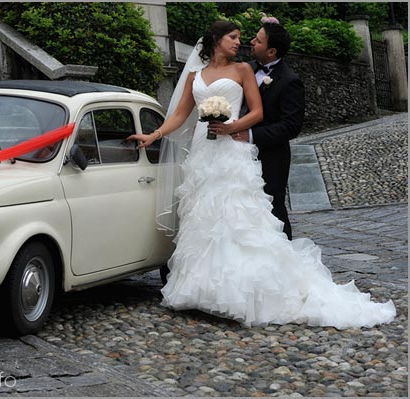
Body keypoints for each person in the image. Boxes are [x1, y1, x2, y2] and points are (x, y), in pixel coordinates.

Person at [127, 21, 395, 329]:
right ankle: (203, 291)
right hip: (203, 151)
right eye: (234, 37)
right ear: (215, 39)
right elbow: (179, 114)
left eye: (245, 38)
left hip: (231, 150)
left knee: (237, 216)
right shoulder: (193, 75)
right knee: (205, 216)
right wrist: (154, 135)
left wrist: (232, 127)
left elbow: (257, 112)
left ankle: (243, 293)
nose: (240, 42)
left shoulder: (242, 70)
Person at [232, 22, 305, 240]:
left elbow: (291, 126)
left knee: (273, 209)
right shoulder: (246, 68)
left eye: (258, 40)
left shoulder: (290, 81)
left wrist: (251, 136)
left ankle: (286, 259)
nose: (252, 42)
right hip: (234, 153)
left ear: (272, 51)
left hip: (270, 156)